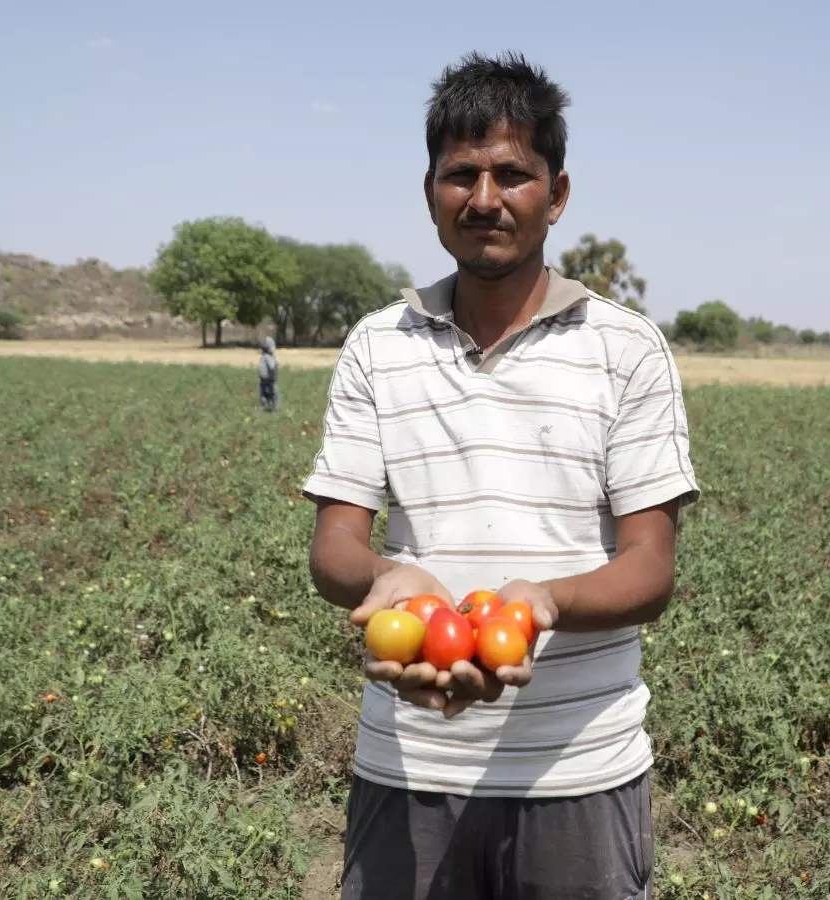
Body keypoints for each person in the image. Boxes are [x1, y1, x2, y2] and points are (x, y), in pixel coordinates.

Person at [302, 50, 698, 900]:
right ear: (431, 192)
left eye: (512, 174)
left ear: (556, 194)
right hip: (406, 769)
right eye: (462, 175)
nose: (485, 199)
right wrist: (387, 579)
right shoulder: (379, 344)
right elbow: (335, 544)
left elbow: (650, 568)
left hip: (579, 775)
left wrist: (543, 601)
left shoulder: (625, 349)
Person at [258, 336, 280, 412]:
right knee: (274, 396)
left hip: (262, 381)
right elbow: (272, 367)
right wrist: (276, 363)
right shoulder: (269, 357)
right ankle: (275, 409)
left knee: (263, 396)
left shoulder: (262, 357)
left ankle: (265, 408)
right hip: (270, 381)